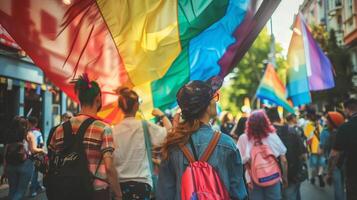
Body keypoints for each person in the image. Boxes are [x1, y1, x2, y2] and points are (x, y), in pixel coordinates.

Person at [157, 80, 247, 200]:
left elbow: (165, 194)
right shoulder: (227, 144)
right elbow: (238, 193)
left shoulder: (172, 144)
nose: (216, 101)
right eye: (214, 97)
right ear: (207, 106)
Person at [48, 74, 122, 200]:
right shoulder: (103, 128)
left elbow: (51, 160)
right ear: (98, 99)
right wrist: (118, 195)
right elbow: (109, 167)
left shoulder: (59, 129)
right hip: (95, 192)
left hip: (64, 191)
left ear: (80, 99)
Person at [112, 87, 172, 199]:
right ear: (136, 106)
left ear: (120, 107)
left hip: (119, 186)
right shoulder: (144, 126)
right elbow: (169, 133)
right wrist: (162, 115)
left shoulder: (113, 130)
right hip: (142, 184)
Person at [237, 110, 288, 200]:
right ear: (266, 121)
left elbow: (239, 161)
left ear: (249, 123)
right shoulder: (272, 136)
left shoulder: (243, 138)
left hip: (253, 179)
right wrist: (284, 177)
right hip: (273, 177)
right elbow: (283, 160)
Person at [266, 108, 307, 200]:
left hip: (272, 175)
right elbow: (303, 154)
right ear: (279, 118)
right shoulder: (291, 130)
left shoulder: (266, 135)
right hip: (293, 172)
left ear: (267, 120)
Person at [2, 116, 45, 200]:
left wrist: (5, 168)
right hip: (26, 164)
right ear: (25, 124)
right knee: (20, 191)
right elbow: (33, 150)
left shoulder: (9, 135)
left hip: (10, 165)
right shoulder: (29, 134)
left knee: (12, 190)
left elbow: (5, 153)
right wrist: (42, 151)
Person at [329, 98, 357, 200]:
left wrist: (329, 172)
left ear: (348, 110)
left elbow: (334, 154)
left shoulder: (344, 128)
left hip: (353, 171)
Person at [321, 112, 346, 200]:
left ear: (333, 123)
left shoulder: (334, 135)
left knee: (338, 189)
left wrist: (329, 172)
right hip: (345, 163)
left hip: (336, 166)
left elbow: (333, 155)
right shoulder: (343, 133)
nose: (326, 123)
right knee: (343, 188)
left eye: (328, 121)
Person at [304, 107, 325, 187]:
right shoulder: (320, 124)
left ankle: (312, 178)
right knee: (321, 164)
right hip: (321, 146)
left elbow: (307, 137)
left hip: (313, 148)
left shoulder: (307, 125)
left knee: (313, 166)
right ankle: (320, 174)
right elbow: (323, 135)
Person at [27, 116, 45, 197]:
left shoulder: (25, 132)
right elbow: (41, 143)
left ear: (28, 123)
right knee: (34, 172)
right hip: (35, 154)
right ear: (36, 124)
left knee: (32, 172)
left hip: (26, 155)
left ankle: (36, 186)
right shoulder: (38, 133)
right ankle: (33, 189)